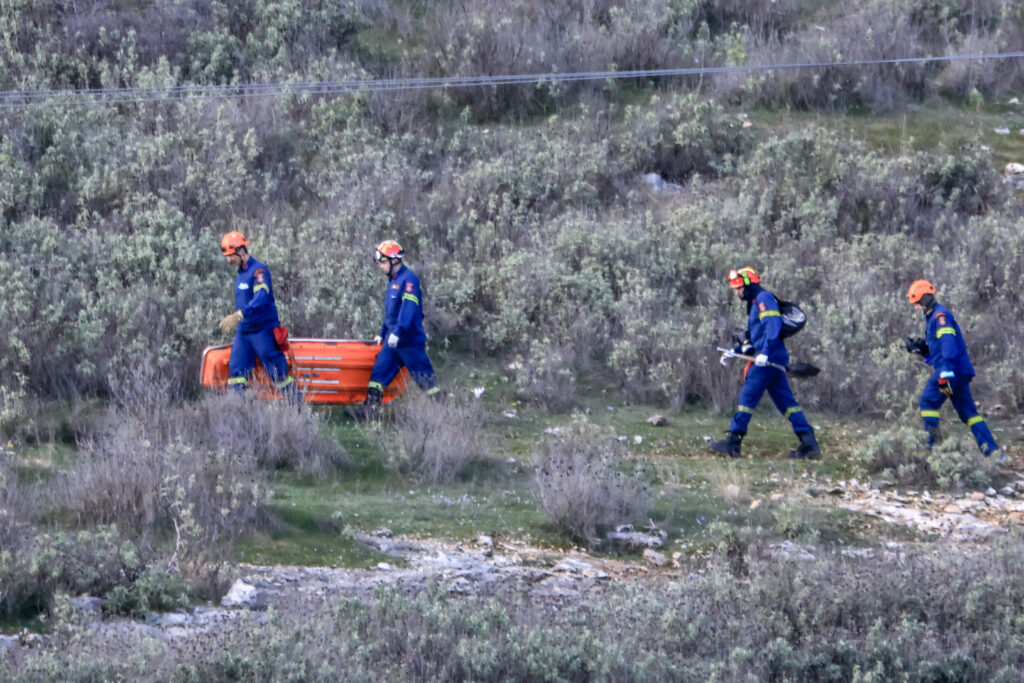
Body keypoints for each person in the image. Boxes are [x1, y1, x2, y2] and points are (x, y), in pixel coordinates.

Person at [710, 267, 821, 459]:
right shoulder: (755, 304)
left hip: (768, 360)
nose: (737, 292)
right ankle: (809, 443)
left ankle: (733, 442)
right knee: (787, 404)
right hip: (771, 359)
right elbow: (755, 337)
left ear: (748, 284)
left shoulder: (764, 299)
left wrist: (766, 354)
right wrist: (733, 352)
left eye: (739, 287)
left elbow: (773, 326)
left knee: (747, 397)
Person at [904, 279, 1003, 461]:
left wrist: (945, 375)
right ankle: (994, 454)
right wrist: (922, 350)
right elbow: (940, 350)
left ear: (924, 299)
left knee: (928, 403)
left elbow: (949, 347)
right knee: (969, 414)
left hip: (951, 372)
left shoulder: (939, 317)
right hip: (957, 372)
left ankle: (931, 450)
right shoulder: (933, 316)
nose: (916, 307)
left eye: (917, 303)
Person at [348, 240, 440, 419]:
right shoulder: (393, 281)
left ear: (394, 261)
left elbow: (409, 310)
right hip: (392, 341)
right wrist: (382, 334)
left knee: (426, 380)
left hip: (409, 342)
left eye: (383, 262)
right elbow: (391, 313)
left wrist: (398, 332)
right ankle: (369, 411)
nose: (381, 266)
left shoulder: (409, 280)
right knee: (378, 373)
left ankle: (444, 412)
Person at [218, 231, 298, 401]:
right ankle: (234, 413)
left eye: (231, 255)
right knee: (236, 370)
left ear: (241, 251)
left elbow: (261, 297)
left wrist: (240, 314)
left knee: (278, 372)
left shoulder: (259, 271)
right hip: (244, 331)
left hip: (263, 330)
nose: (228, 260)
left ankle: (298, 408)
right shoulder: (241, 274)